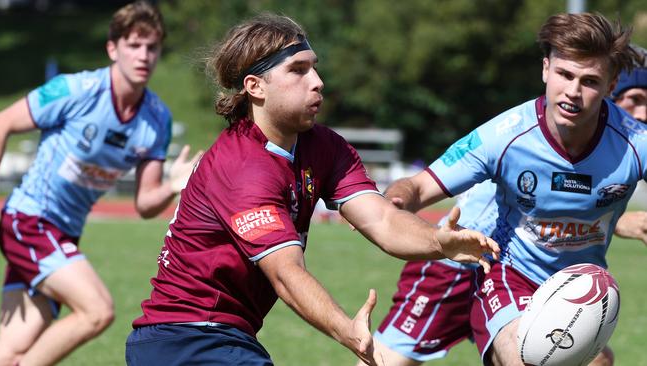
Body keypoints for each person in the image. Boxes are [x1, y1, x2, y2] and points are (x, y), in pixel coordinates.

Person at [124, 13, 500, 366]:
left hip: (226, 337)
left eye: (314, 67)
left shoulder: (323, 146)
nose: (317, 81)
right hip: (184, 338)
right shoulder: (242, 166)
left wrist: (438, 242)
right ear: (255, 87)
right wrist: (346, 330)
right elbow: (287, 274)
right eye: (298, 70)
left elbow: (382, 219)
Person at [365, 12, 642, 366]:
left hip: (574, 289)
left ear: (611, 84)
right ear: (545, 69)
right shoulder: (504, 136)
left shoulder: (635, 143)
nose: (573, 91)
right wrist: (396, 203)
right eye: (564, 75)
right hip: (508, 274)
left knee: (598, 362)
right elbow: (417, 187)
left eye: (589, 81)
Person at [0, 1, 201, 365]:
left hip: (63, 235)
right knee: (97, 310)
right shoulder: (75, 90)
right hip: (29, 222)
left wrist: (172, 186)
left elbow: (144, 204)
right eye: (134, 45)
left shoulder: (157, 119)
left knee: (9, 351)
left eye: (152, 47)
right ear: (113, 48)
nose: (143, 55)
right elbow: (2, 123)